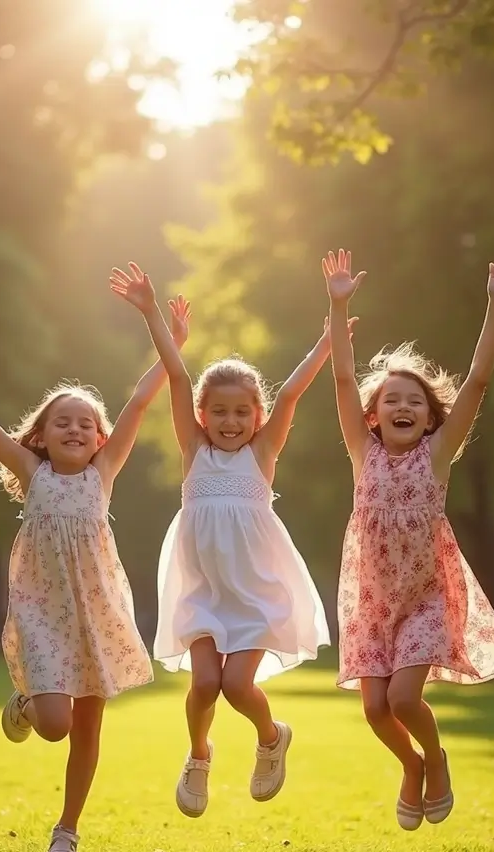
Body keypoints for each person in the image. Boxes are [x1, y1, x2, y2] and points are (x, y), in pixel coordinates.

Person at [0, 298, 189, 852]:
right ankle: (28, 704)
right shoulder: (33, 473)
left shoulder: (104, 474)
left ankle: (66, 832)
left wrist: (165, 333)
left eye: (86, 423)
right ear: (41, 437)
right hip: (44, 613)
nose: (75, 428)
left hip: (96, 613)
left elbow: (144, 399)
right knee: (55, 725)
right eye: (61, 421)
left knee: (89, 730)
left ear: (100, 439)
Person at [110, 263, 330, 818]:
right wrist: (151, 312)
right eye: (220, 413)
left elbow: (292, 394)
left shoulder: (261, 456)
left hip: (255, 589)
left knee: (236, 685)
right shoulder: (194, 453)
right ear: (203, 417)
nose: (230, 422)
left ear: (256, 417)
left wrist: (329, 340)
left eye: (241, 413)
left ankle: (271, 736)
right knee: (204, 683)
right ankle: (199, 755)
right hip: (203, 587)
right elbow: (179, 377)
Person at [324, 248, 494, 830]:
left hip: (423, 597)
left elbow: (479, 380)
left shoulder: (437, 456)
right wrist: (339, 307)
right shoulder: (362, 454)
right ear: (372, 415)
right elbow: (343, 376)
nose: (404, 406)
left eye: (415, 401)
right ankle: (410, 767)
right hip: (370, 600)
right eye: (392, 399)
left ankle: (435, 760)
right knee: (374, 710)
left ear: (431, 418)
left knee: (403, 700)